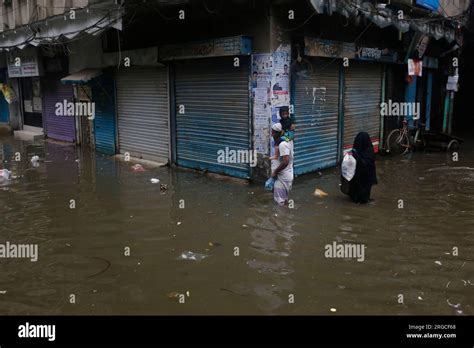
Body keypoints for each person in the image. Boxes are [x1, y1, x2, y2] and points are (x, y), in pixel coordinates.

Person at [348, 132, 378, 204]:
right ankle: (363, 200)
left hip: (357, 178)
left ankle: (356, 199)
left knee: (356, 189)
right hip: (366, 179)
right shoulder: (369, 150)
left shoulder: (354, 152)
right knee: (364, 192)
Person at [271, 123, 294, 206]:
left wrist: (275, 172)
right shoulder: (288, 141)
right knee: (284, 200)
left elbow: (285, 161)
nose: (272, 134)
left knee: (280, 204)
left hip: (283, 178)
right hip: (287, 176)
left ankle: (283, 218)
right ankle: (288, 214)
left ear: (279, 133)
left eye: (273, 133)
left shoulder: (282, 144)